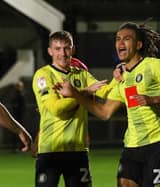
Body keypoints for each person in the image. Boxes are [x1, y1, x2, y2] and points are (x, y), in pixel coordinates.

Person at [55, 22, 160, 187]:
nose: (120, 42)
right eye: (118, 38)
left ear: (139, 44)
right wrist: (76, 94)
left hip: (157, 144)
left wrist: (152, 99)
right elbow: (104, 112)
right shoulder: (122, 77)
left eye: (126, 39)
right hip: (131, 147)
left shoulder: (154, 66)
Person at [32, 30, 113, 187]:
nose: (62, 53)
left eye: (66, 48)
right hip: (51, 150)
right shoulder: (43, 75)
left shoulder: (81, 74)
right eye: (57, 49)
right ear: (50, 51)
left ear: (73, 49)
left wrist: (121, 77)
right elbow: (56, 109)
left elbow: (106, 91)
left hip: (78, 150)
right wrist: (84, 92)